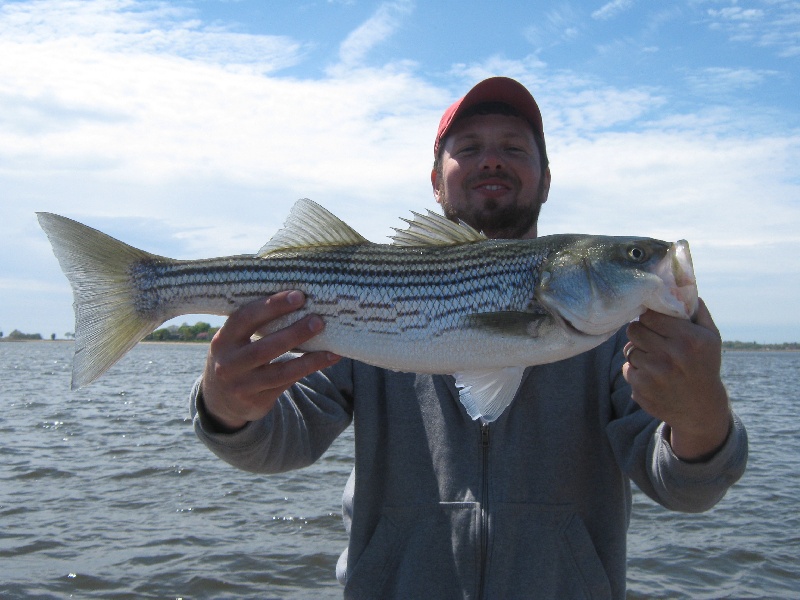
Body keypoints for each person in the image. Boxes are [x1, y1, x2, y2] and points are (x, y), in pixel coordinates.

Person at [190, 77, 748, 599]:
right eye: (469, 147)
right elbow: (280, 443)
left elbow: (687, 490)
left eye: (514, 146)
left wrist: (701, 414)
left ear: (546, 179)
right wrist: (225, 405)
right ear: (436, 181)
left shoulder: (619, 341)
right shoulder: (358, 315)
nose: (492, 159)